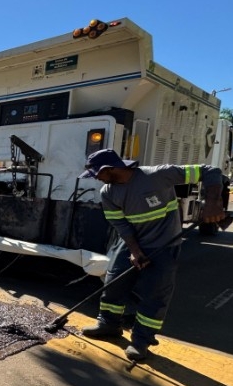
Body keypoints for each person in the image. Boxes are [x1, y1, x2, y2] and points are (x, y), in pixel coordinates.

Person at [79, 149, 224, 361]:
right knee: (114, 283)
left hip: (164, 245)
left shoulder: (157, 175)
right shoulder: (107, 193)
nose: (96, 178)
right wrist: (134, 251)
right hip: (131, 243)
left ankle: (141, 341)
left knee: (155, 294)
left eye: (97, 174)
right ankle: (108, 324)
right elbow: (120, 224)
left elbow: (210, 171)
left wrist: (212, 202)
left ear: (110, 168)